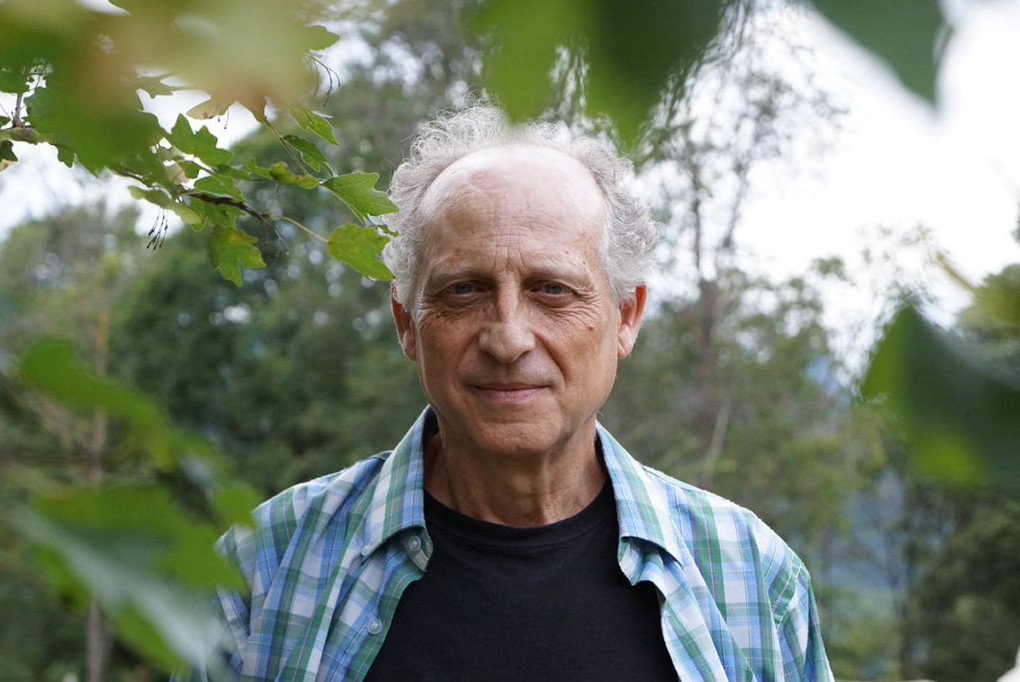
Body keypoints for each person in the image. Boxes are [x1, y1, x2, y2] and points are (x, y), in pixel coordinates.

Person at [195, 105, 833, 681]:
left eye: (551, 289)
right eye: (463, 290)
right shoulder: (265, 567)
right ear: (406, 323)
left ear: (626, 317)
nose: (507, 338)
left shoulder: (748, 577)